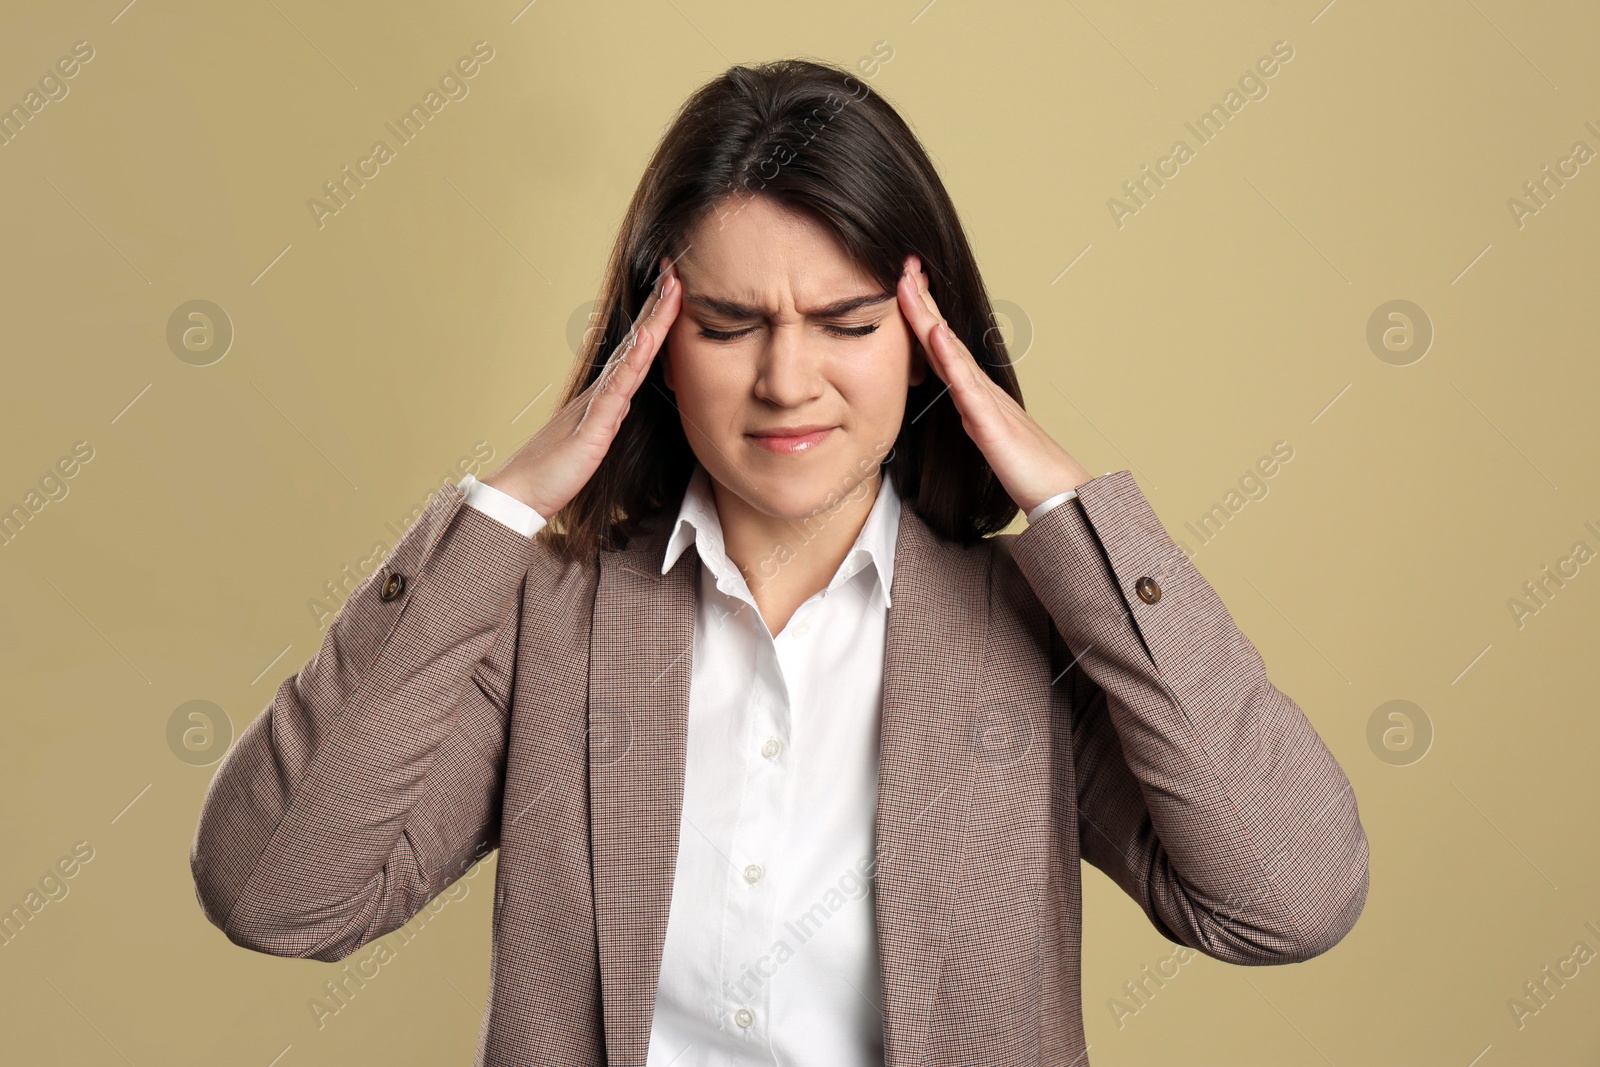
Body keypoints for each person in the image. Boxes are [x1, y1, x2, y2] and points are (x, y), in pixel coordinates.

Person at [190, 57, 1368, 1066]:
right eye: (728, 324)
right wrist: (496, 511)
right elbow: (275, 896)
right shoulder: (543, 617)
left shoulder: (1032, 628)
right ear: (650, 343)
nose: (787, 381)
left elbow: (1288, 899)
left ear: (926, 336)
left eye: (848, 324)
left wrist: (1070, 505)